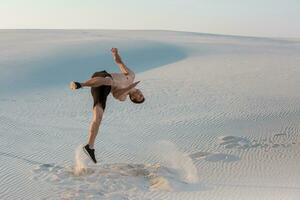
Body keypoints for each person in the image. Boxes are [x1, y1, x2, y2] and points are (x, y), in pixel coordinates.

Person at [69, 48, 145, 163]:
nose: (140, 95)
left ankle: (90, 146)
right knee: (109, 80)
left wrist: (129, 87)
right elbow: (120, 63)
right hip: (102, 76)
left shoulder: (123, 97)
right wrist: (116, 54)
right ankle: (80, 84)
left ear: (133, 98)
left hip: (102, 90)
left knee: (98, 117)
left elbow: (117, 94)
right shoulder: (131, 76)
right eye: (142, 95)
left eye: (139, 98)